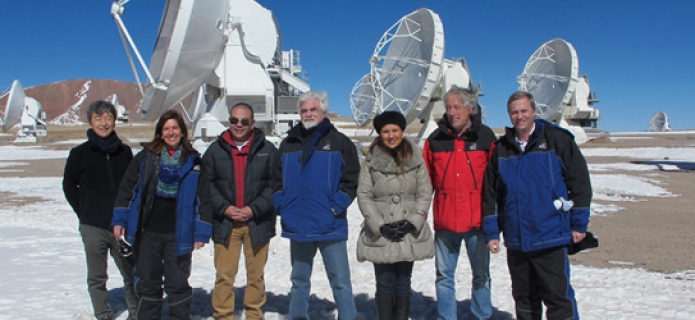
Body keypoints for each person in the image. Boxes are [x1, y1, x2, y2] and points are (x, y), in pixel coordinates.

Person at [482, 91, 592, 320]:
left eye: (524, 111)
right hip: (517, 239)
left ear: (533, 111)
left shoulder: (557, 140)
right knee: (524, 298)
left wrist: (579, 224)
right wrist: (492, 232)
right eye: (514, 112)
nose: (519, 116)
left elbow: (579, 182)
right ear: (509, 115)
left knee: (558, 297)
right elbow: (492, 194)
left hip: (550, 235)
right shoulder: (502, 149)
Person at [112, 110, 211, 320]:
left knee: (177, 283)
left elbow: (204, 199)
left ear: (183, 132)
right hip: (147, 231)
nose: (171, 132)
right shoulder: (146, 158)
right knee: (148, 281)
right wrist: (120, 219)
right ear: (160, 133)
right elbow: (127, 190)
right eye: (166, 128)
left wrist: (201, 232)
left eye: (175, 128)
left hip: (179, 233)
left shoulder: (194, 162)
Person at [273, 91, 359, 320]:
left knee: (340, 282)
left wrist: (334, 207)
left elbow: (352, 180)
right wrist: (282, 205)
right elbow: (275, 179)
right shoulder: (289, 143)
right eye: (304, 110)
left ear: (323, 111)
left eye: (313, 109)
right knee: (299, 281)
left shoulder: (340, 142)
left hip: (330, 225)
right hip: (298, 224)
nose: (308, 114)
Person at [198, 103, 280, 320]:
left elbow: (275, 185)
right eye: (234, 120)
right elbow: (207, 185)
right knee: (224, 276)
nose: (239, 124)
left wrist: (254, 209)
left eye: (244, 121)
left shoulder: (267, 150)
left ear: (253, 123)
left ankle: (254, 315)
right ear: (228, 121)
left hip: (257, 223)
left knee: (256, 277)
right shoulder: (215, 151)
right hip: (226, 225)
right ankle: (223, 316)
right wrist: (225, 208)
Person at [423, 85, 496, 320]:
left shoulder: (485, 138)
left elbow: (496, 181)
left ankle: (481, 316)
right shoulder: (434, 140)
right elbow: (425, 184)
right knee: (444, 276)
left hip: (478, 222)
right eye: (448, 107)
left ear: (470, 109)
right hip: (446, 223)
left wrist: (494, 217)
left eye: (457, 107)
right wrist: (421, 215)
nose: (452, 112)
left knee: (481, 275)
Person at [63, 100, 137, 320]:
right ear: (90, 121)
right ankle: (102, 314)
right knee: (97, 276)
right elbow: (69, 185)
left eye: (108, 118)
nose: (103, 123)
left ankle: (135, 312)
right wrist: (83, 211)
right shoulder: (79, 153)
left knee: (130, 272)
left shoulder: (124, 152)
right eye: (98, 118)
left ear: (114, 121)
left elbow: (131, 184)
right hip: (92, 226)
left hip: (120, 225)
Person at [356, 111, 434, 320]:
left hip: (407, 231)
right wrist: (379, 225)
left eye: (395, 130)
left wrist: (414, 221)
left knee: (403, 283)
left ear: (402, 131)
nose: (391, 136)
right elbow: (364, 195)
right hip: (382, 232)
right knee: (385, 284)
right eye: (385, 131)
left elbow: (425, 192)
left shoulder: (416, 158)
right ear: (380, 134)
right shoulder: (371, 161)